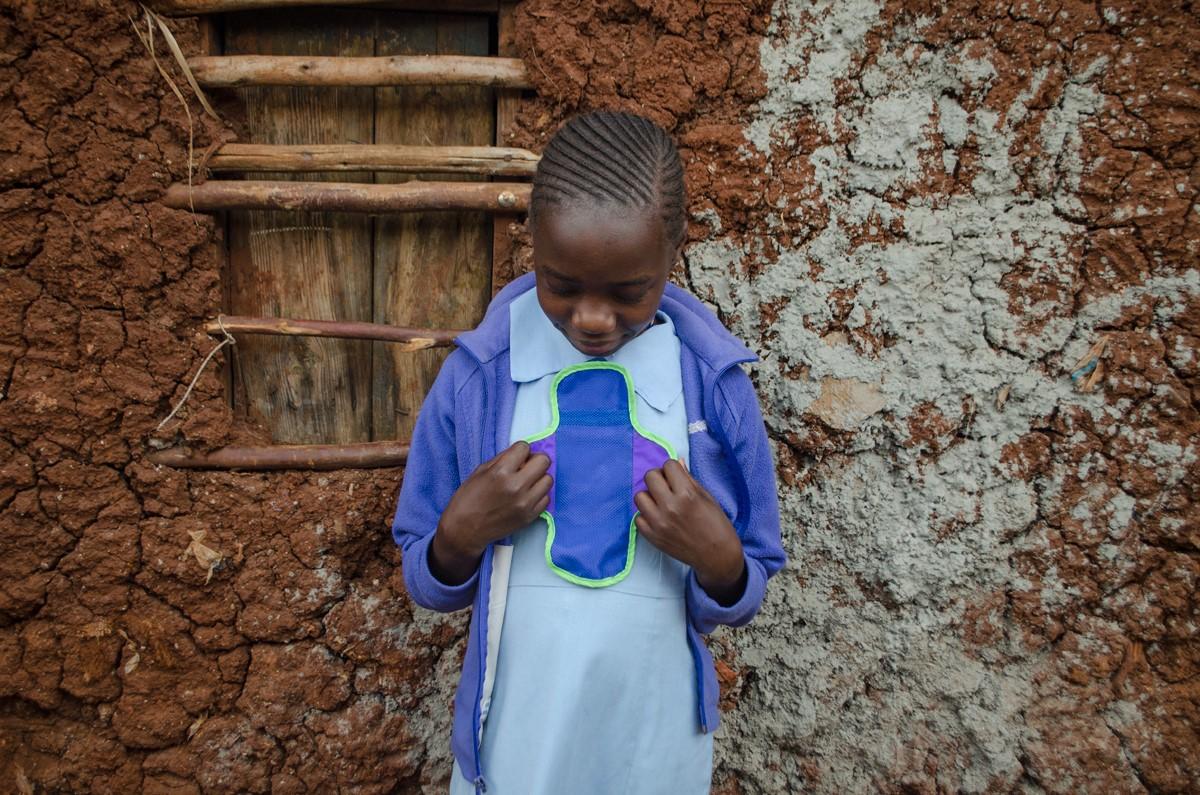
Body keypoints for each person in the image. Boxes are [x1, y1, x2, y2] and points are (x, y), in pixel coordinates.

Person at [391, 110, 787, 795]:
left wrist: (719, 557)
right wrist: (459, 531)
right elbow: (422, 572)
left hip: (651, 737)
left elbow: (749, 575)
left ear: (674, 251)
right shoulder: (482, 377)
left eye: (627, 292)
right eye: (562, 285)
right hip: (517, 733)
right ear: (532, 247)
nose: (593, 319)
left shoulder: (713, 389)